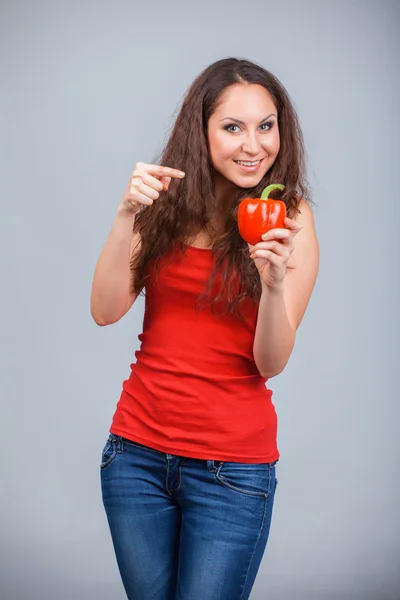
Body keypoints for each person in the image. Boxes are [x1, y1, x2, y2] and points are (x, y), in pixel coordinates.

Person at [90, 57, 319, 600]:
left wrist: (274, 283)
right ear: (202, 130)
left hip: (232, 473)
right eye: (233, 127)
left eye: (266, 125)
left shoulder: (292, 219)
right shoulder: (164, 205)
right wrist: (126, 214)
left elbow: (271, 363)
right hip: (136, 457)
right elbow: (105, 309)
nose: (253, 145)